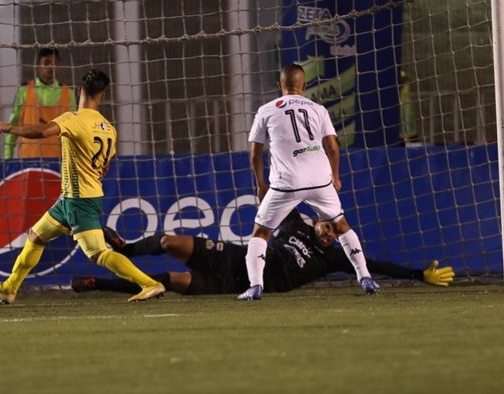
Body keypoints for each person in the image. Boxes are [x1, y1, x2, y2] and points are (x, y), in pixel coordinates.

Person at [0, 69, 166, 304]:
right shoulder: (109, 128)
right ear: (102, 96)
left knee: (99, 254)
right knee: (35, 236)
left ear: (79, 91)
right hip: (72, 199)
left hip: (80, 200)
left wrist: (10, 128)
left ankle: (150, 284)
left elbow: (42, 131)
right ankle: (9, 288)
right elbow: (105, 167)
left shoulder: (73, 119)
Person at [71, 209, 455, 296]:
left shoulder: (336, 256)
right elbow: (274, 191)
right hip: (233, 258)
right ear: (317, 220)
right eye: (327, 227)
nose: (329, 235)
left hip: (234, 284)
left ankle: (97, 284)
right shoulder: (296, 222)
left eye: (334, 232)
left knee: (169, 282)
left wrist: (418, 274)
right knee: (171, 241)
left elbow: (374, 264)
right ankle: (125, 248)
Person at [240, 63, 379, 301]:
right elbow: (333, 147)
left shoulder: (266, 110)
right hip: (319, 180)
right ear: (304, 85)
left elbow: (255, 154)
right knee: (341, 226)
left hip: (287, 181)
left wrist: (261, 185)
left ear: (279, 85)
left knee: (261, 233)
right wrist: (335, 176)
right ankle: (365, 277)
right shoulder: (318, 109)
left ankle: (255, 286)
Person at [3, 47, 76, 160]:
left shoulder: (69, 93)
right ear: (38, 66)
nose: (51, 67)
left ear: (59, 66)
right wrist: (8, 158)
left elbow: (74, 131)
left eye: (55, 63)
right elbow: (13, 125)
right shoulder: (24, 91)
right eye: (46, 63)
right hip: (28, 160)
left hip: (59, 161)